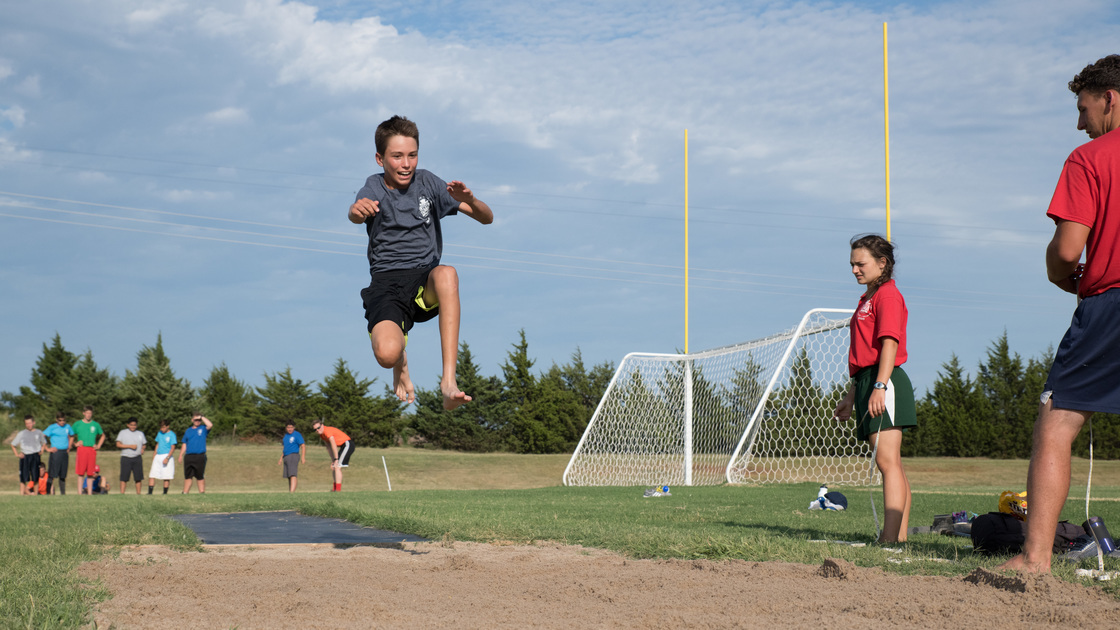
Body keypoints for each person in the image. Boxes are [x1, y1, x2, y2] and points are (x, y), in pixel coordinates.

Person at [1000, 55, 1120, 574]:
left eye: (1083, 108)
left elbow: (1068, 251)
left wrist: (1060, 274)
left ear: (1110, 99)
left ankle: (1035, 562)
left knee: (1057, 423)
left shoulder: (1089, 157)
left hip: (1110, 303)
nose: (1080, 122)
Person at [348, 115, 494, 411]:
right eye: (397, 156)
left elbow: (486, 217)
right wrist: (356, 210)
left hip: (424, 282)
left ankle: (448, 382)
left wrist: (471, 199)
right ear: (380, 159)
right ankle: (400, 365)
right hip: (387, 285)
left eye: (412, 155)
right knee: (387, 355)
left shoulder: (428, 182)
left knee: (447, 273)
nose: (406, 164)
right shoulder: (373, 187)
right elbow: (356, 212)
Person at [833, 234, 917, 543]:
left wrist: (881, 385)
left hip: (887, 380)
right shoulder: (867, 298)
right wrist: (852, 396)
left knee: (887, 462)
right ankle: (899, 537)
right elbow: (863, 356)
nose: (855, 269)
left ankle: (889, 539)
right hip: (868, 381)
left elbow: (889, 343)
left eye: (861, 263)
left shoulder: (888, 296)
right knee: (890, 461)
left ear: (882, 263)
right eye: (852, 264)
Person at [11, 415, 47, 496]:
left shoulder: (38, 432)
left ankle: (36, 495)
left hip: (35, 456)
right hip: (25, 456)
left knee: (35, 476)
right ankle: (21, 494)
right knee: (23, 477)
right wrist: (17, 454)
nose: (28, 425)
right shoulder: (22, 433)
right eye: (26, 423)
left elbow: (44, 442)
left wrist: (42, 450)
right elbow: (13, 444)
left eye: (30, 423)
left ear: (33, 423)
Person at [311, 420, 351, 492]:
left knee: (337, 466)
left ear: (322, 425)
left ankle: (338, 490)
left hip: (347, 444)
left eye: (318, 427)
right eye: (315, 429)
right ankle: (334, 488)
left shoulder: (327, 431)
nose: (317, 430)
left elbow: (333, 445)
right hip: (343, 446)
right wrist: (333, 460)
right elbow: (328, 447)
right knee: (334, 466)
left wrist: (336, 459)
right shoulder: (322, 435)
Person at [73, 405, 105, 495]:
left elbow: (103, 435)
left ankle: (90, 493)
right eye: (87, 413)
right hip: (82, 449)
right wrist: (75, 444)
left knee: (90, 473)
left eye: (90, 413)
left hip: (91, 450)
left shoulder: (95, 425)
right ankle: (79, 493)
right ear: (83, 413)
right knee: (80, 473)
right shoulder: (77, 424)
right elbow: (70, 435)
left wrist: (98, 445)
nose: (88, 415)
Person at [179, 413, 212, 494]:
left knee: (199, 476)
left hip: (199, 456)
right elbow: (184, 443)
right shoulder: (188, 431)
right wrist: (180, 455)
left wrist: (202, 417)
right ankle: (185, 492)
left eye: (199, 420)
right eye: (195, 420)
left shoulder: (203, 428)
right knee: (188, 476)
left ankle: (201, 492)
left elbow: (210, 425)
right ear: (192, 420)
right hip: (189, 456)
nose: (197, 421)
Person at [42, 412, 75, 495]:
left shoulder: (68, 427)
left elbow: (72, 436)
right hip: (55, 453)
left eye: (63, 420)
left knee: (63, 475)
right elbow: (41, 436)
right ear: (57, 420)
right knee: (52, 474)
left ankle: (63, 493)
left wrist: (69, 446)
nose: (62, 422)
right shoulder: (52, 427)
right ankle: (48, 492)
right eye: (60, 420)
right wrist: (47, 448)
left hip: (64, 452)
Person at [115, 417, 147, 495]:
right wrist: (129, 446)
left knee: (138, 478)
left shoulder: (140, 433)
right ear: (128, 425)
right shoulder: (122, 432)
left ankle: (138, 494)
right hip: (126, 457)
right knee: (124, 477)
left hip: (137, 458)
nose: (133, 427)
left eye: (134, 425)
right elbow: (118, 444)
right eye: (131, 425)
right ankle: (122, 494)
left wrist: (143, 448)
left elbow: (144, 444)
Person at [148, 419, 178, 495]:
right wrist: (154, 454)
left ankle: (165, 493)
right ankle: (150, 492)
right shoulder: (159, 433)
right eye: (161, 427)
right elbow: (158, 443)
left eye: (164, 427)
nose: (162, 429)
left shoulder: (172, 434)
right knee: (152, 474)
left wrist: (167, 458)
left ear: (168, 426)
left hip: (166, 455)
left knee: (166, 475)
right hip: (158, 455)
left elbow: (173, 447)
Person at [277, 421, 306, 492]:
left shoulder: (297, 435)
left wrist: (303, 457)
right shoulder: (286, 436)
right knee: (289, 475)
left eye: (291, 427)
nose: (290, 429)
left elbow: (303, 445)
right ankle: (290, 490)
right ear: (286, 428)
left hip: (293, 455)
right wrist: (281, 458)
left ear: (294, 427)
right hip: (286, 456)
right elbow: (285, 448)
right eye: (288, 427)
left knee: (293, 474)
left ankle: (292, 492)